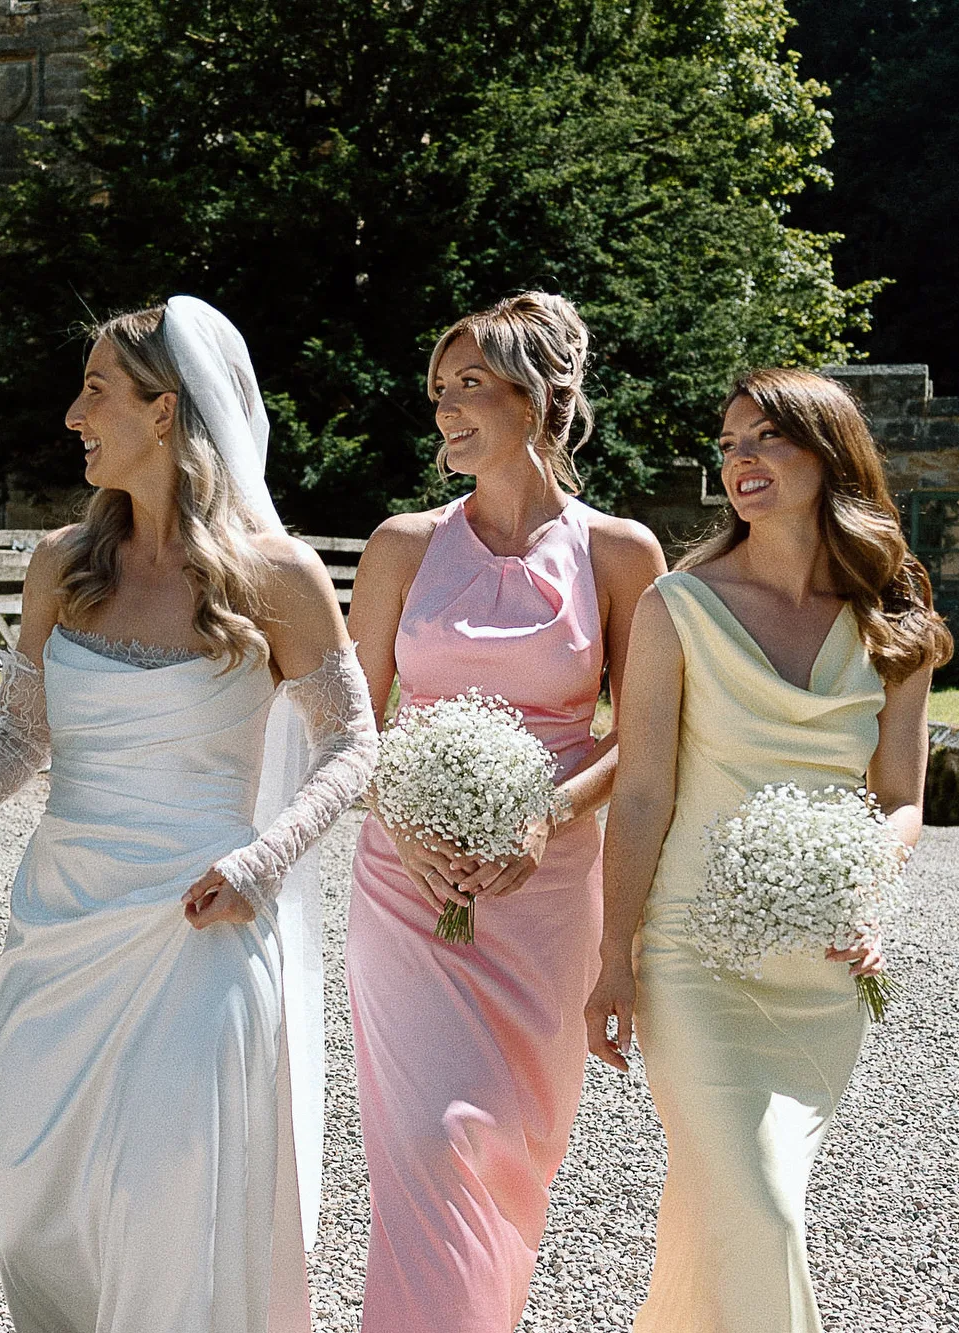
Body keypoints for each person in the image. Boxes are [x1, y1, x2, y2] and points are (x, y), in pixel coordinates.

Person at [0, 296, 376, 1333]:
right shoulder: (60, 565)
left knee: (167, 1204)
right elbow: (14, 746)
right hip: (59, 929)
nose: (70, 414)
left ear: (164, 410)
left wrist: (263, 860)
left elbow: (353, 741)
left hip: (203, 923)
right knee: (48, 1215)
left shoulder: (275, 578)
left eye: (95, 388)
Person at [585, 368, 946, 1332]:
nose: (739, 461)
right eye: (730, 444)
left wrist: (868, 892)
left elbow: (900, 798)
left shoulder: (894, 614)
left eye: (765, 441)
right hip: (692, 958)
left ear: (827, 455)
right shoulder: (676, 606)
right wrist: (613, 956)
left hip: (820, 976)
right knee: (761, 1204)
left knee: (727, 1208)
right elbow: (647, 786)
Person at [343, 293, 666, 1331]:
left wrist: (547, 814)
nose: (442, 408)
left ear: (537, 400)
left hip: (545, 891)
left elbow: (642, 735)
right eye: (438, 389)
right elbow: (348, 719)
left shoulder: (620, 554)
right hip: (405, 878)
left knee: (511, 1151)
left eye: (469, 385)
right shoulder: (400, 544)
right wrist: (402, 821)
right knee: (429, 1140)